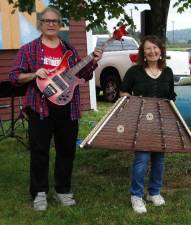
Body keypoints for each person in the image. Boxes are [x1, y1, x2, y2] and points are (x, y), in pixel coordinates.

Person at [9, 7, 103, 211]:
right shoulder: (29, 49)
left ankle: (63, 190)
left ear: (60, 25)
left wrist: (93, 60)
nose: (51, 24)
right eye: (47, 20)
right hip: (39, 107)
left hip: (68, 108)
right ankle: (39, 192)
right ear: (40, 24)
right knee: (39, 151)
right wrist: (34, 74)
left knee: (66, 151)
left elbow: (83, 75)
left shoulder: (69, 50)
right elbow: (14, 76)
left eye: (55, 21)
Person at [120, 35, 176, 214]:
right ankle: (136, 196)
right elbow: (123, 92)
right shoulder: (134, 72)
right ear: (143, 53)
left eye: (155, 48)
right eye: (148, 49)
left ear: (161, 51)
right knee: (142, 159)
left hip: (162, 121)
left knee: (159, 159)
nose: (152, 52)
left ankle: (154, 192)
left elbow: (171, 95)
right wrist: (128, 98)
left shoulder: (168, 72)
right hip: (141, 120)